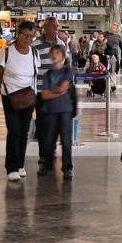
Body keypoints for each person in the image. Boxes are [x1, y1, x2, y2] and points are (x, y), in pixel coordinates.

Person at [0, 20, 39, 182]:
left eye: (31, 36)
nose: (27, 39)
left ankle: (20, 164)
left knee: (24, 132)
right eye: (25, 35)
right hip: (11, 97)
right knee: (14, 131)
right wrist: (4, 92)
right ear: (18, 34)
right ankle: (11, 167)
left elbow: (35, 74)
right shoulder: (7, 52)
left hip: (27, 98)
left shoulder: (34, 53)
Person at [38, 44, 75, 179]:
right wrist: (58, 91)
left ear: (63, 57)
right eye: (52, 53)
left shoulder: (67, 72)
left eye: (58, 53)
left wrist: (53, 91)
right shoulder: (47, 74)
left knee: (66, 141)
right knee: (49, 140)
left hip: (65, 110)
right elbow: (44, 95)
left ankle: (67, 168)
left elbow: (59, 89)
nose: (55, 55)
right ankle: (47, 165)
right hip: (50, 110)